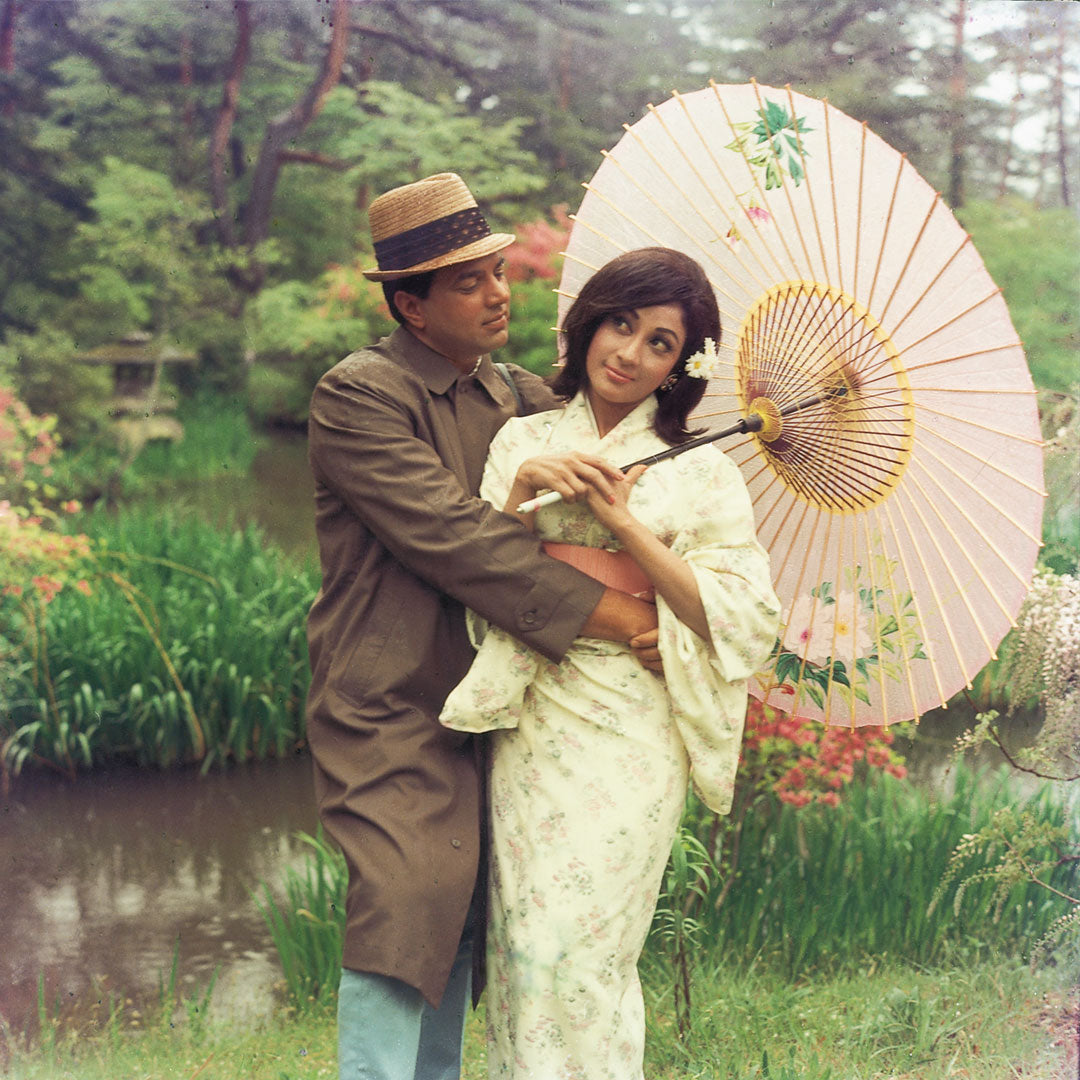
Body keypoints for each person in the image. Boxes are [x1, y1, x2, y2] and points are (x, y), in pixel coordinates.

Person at [304, 173, 663, 1080]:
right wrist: (619, 617)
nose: (501, 293)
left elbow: (624, 455)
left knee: (461, 912)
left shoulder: (517, 395)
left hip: (502, 697)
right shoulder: (360, 397)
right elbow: (454, 537)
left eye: (498, 271)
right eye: (469, 282)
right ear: (410, 305)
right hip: (390, 699)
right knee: (404, 898)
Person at [440, 247, 782, 1079]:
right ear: (589, 322)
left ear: (680, 367)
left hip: (633, 730)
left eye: (660, 342)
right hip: (539, 717)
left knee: (585, 951)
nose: (629, 353)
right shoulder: (522, 439)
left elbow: (740, 619)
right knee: (527, 947)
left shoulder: (703, 471)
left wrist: (626, 527)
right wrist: (521, 496)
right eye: (621, 324)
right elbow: (480, 570)